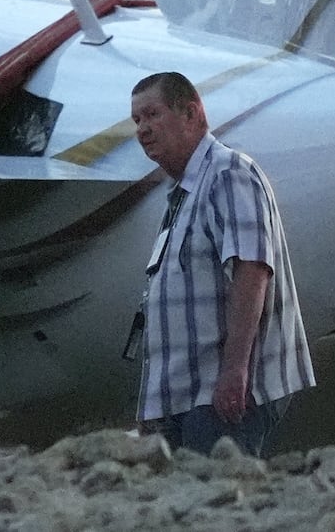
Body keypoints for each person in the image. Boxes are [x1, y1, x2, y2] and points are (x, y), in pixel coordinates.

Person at [128, 71, 314, 456]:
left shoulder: (228, 173)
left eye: (152, 115)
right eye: (137, 121)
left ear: (192, 113)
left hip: (219, 396)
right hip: (184, 399)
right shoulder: (181, 195)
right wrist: (153, 408)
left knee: (219, 508)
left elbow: (252, 269)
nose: (143, 130)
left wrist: (234, 371)